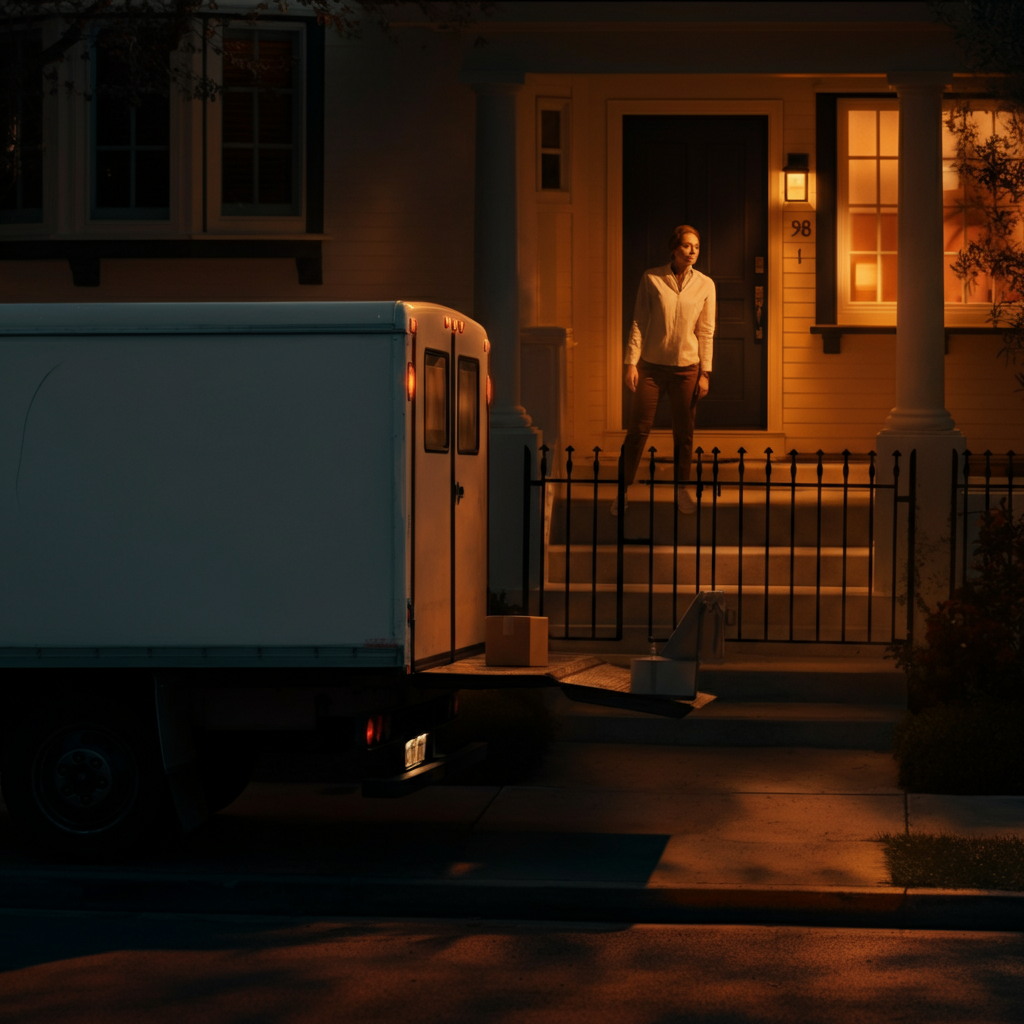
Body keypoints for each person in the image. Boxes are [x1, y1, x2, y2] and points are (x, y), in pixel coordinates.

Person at [615, 224, 715, 515]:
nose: (692, 251)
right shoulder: (652, 279)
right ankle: (622, 490)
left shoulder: (705, 284)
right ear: (674, 248)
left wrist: (705, 372)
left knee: (684, 433)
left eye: (696, 246)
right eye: (686, 245)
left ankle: (682, 490)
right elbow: (639, 322)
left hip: (687, 369)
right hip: (651, 368)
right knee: (637, 430)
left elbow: (706, 330)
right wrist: (631, 363)